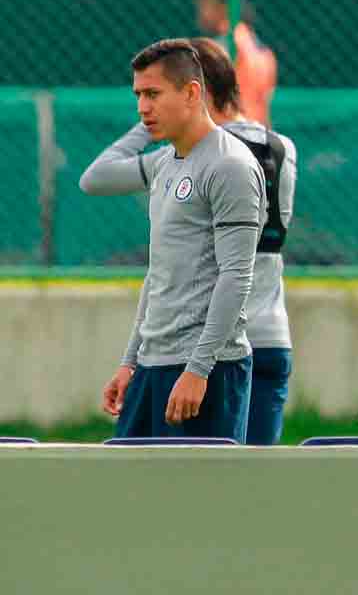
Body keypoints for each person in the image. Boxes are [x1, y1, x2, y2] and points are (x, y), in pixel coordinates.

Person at [81, 38, 295, 446]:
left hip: (206, 371)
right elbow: (158, 274)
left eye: (154, 94)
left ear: (193, 92)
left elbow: (236, 276)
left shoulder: (230, 165)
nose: (143, 108)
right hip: (152, 365)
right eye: (139, 95)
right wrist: (130, 362)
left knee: (202, 506)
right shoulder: (165, 164)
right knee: (130, 499)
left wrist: (199, 369)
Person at [196, 0, 277, 126]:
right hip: (257, 134)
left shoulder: (227, 45)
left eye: (205, 3)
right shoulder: (263, 51)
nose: (200, 11)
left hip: (232, 133)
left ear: (223, 8)